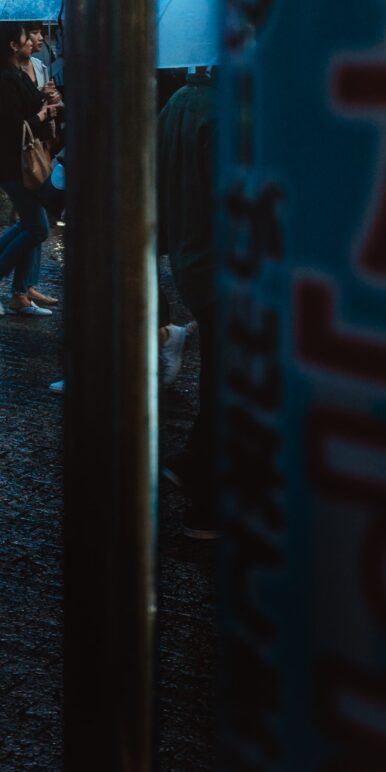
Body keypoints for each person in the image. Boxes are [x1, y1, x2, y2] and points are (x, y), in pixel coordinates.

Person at [157, 70, 218, 538]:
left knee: (221, 368)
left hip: (187, 259)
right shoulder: (227, 110)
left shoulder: (179, 101)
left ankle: (194, 457)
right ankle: (207, 500)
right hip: (224, 262)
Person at [0, 22, 60, 317]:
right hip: (14, 165)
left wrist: (46, 100)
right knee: (37, 227)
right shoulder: (6, 79)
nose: (33, 40)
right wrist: (43, 112)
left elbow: (28, 110)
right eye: (26, 35)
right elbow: (10, 128)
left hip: (18, 164)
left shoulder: (16, 75)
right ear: (12, 45)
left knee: (29, 225)